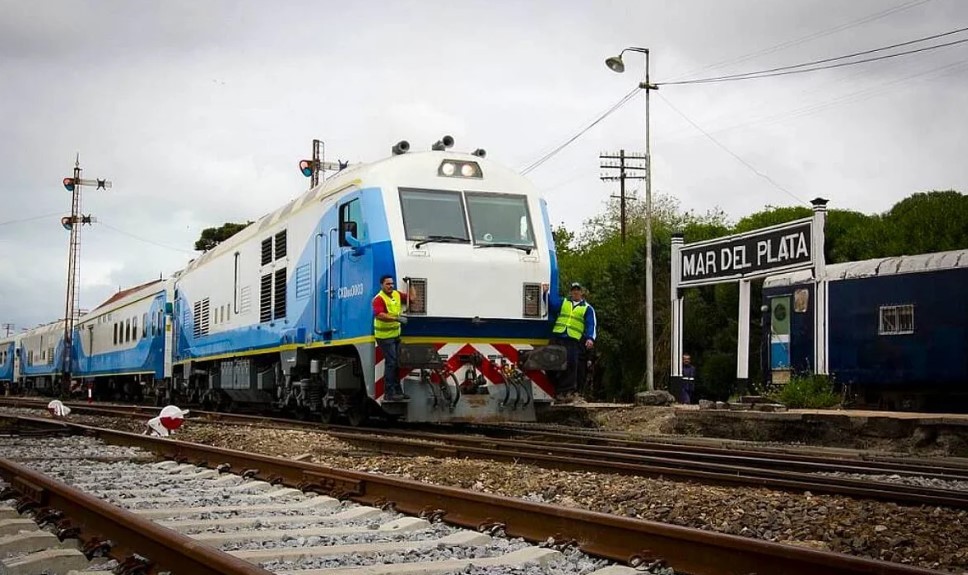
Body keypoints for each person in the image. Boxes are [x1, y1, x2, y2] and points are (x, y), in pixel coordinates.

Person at [546, 282, 596, 402]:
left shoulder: (587, 308)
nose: (575, 292)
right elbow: (552, 305)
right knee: (550, 363)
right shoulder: (564, 302)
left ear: (581, 292)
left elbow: (591, 324)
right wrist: (545, 293)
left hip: (573, 340)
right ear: (571, 292)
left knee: (570, 366)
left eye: (578, 290)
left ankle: (566, 392)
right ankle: (555, 388)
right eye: (573, 290)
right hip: (558, 336)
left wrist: (590, 338)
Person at [373, 275, 416, 402]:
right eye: (388, 284)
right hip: (384, 337)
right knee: (391, 362)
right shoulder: (378, 299)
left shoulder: (396, 294)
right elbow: (379, 315)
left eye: (392, 284)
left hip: (395, 335)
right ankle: (389, 393)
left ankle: (397, 391)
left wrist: (411, 283)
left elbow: (412, 299)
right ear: (382, 285)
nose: (390, 286)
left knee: (397, 362)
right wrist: (396, 318)